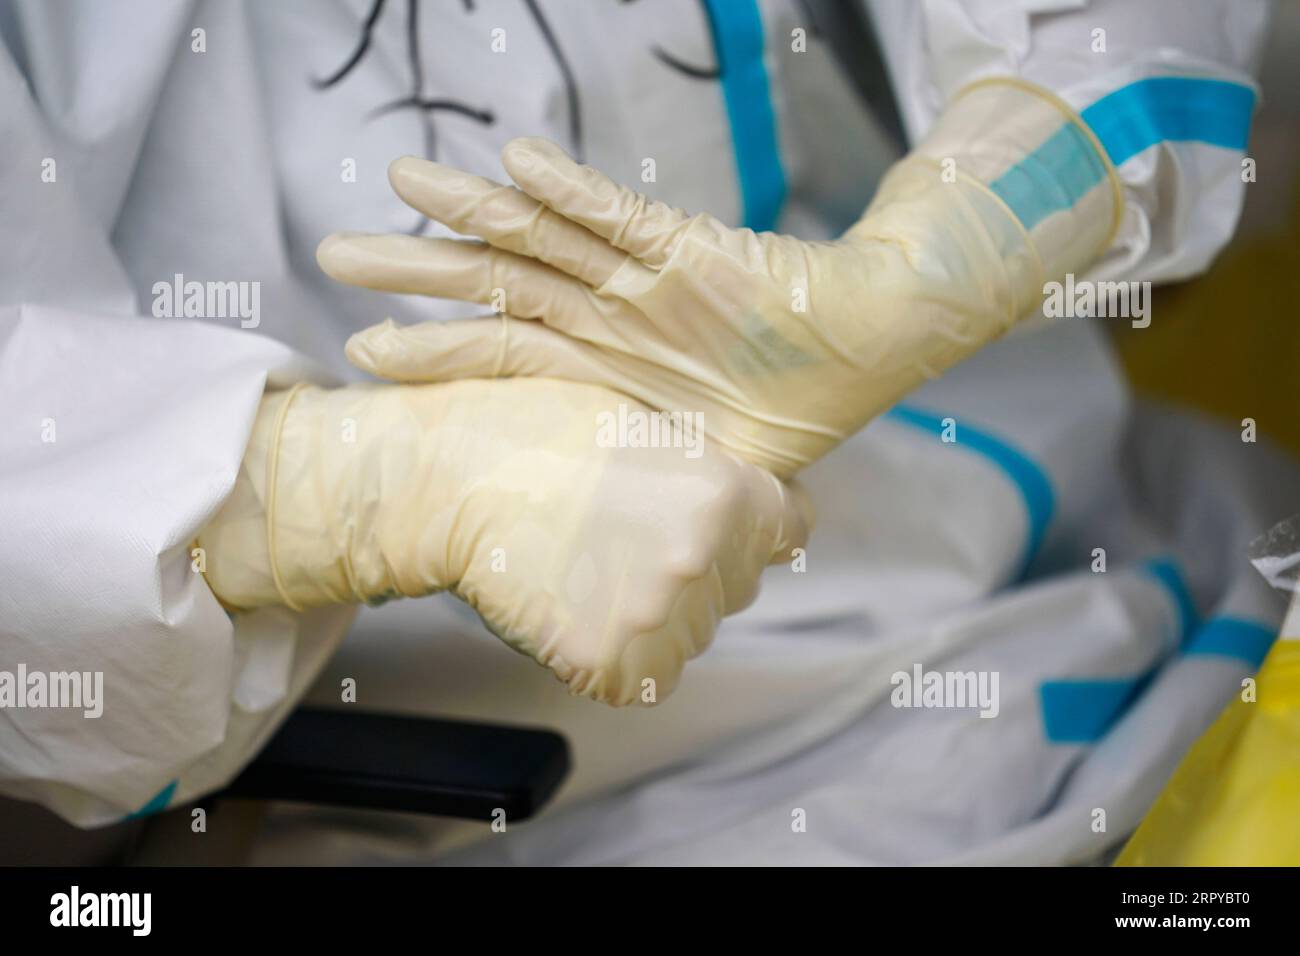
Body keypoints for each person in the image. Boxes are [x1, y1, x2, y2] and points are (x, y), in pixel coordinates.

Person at [0, 0, 1293, 865]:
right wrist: (348, 493)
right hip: (367, 796)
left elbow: (1138, 39)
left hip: (1074, 594)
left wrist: (956, 243)